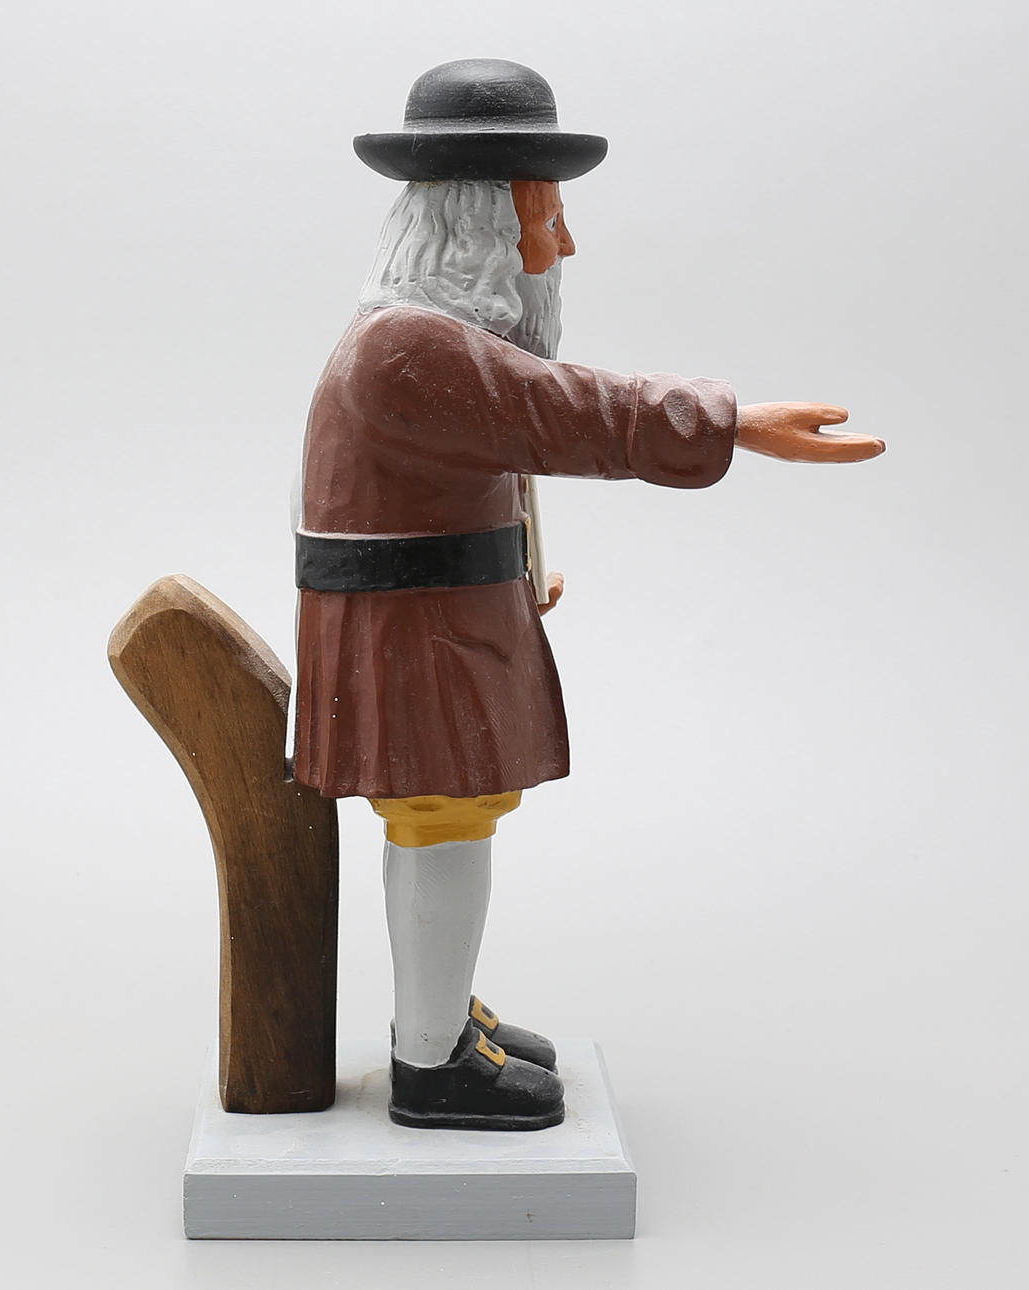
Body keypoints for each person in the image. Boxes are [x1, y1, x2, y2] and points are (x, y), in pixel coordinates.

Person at [293, 59, 883, 1131]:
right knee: (441, 822)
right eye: (546, 214)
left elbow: (480, 458)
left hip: (434, 618)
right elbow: (562, 414)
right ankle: (430, 1060)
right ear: (483, 223)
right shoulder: (409, 345)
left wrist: (518, 570)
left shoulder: (422, 340)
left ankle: (438, 1018)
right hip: (414, 632)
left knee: (449, 821)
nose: (563, 244)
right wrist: (736, 422)